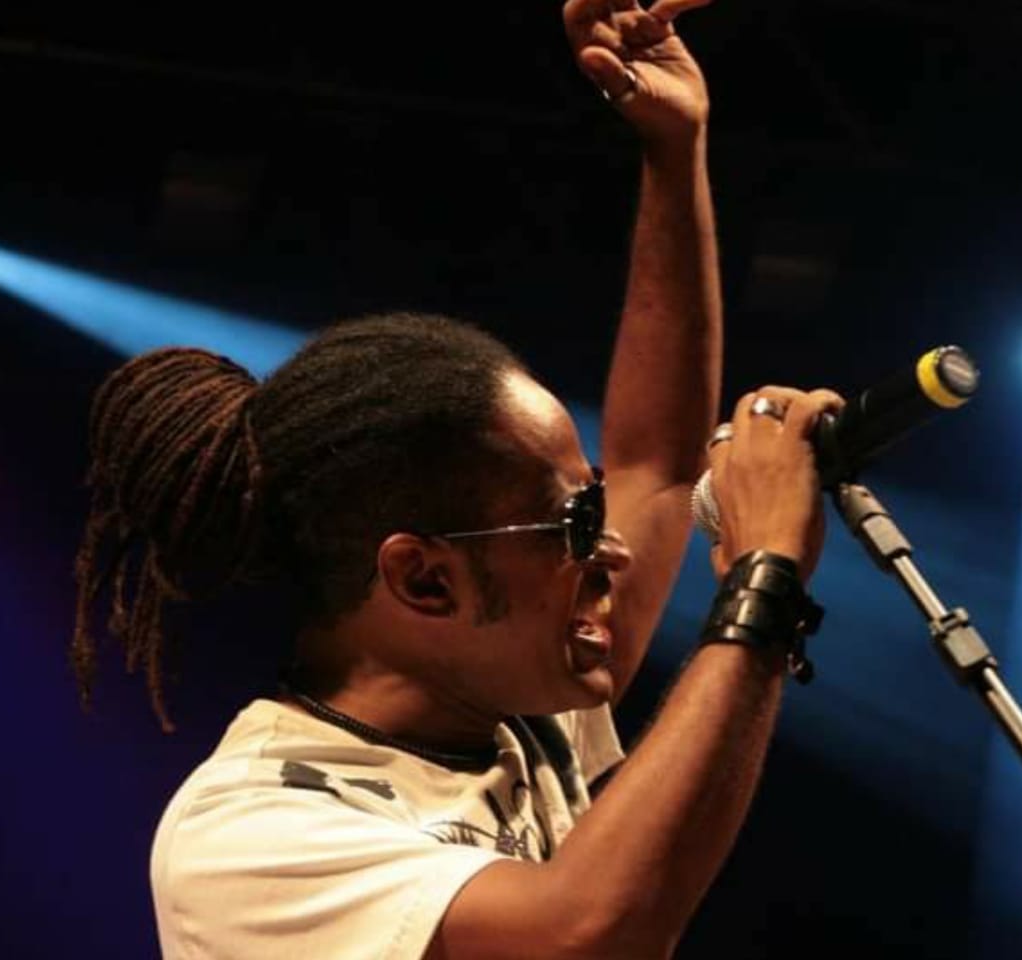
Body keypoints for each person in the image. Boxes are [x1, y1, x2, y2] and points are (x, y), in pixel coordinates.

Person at [70, 1, 841, 956]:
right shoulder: (255, 830)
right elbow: (588, 935)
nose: (611, 549)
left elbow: (654, 464)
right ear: (424, 578)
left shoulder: (517, 713)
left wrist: (671, 147)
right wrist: (763, 585)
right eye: (572, 521)